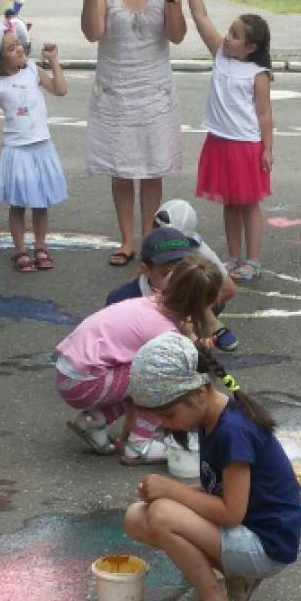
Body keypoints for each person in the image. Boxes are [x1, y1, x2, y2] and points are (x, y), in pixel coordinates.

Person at [124, 332, 301, 601]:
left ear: (202, 391)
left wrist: (172, 491)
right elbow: (219, 495)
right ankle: (237, 581)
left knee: (163, 514)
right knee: (137, 517)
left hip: (266, 544)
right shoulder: (212, 419)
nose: (166, 424)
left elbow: (232, 512)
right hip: (247, 531)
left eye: (169, 414)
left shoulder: (233, 430)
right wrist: (172, 496)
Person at [78, 0, 187, 266]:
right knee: (122, 170)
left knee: (153, 169)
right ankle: (126, 241)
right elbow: (93, 33)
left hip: (154, 91)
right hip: (115, 92)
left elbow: (178, 35)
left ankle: (150, 241)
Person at [55, 258, 222, 466]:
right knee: (163, 376)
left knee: (144, 369)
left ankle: (96, 419)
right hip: (83, 383)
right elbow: (176, 358)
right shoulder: (163, 331)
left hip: (70, 375)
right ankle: (139, 445)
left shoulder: (151, 302)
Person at [182, 0, 274, 285]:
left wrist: (268, 149)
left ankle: (254, 260)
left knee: (248, 205)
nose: (226, 37)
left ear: (250, 47)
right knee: (229, 204)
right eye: (230, 31)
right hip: (219, 141)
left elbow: (264, 115)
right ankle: (233, 257)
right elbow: (200, 15)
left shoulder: (258, 74)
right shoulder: (221, 55)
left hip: (246, 146)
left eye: (234, 35)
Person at [0, 22, 68, 273]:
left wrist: (53, 62)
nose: (19, 49)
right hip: (16, 150)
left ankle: (41, 245)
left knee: (41, 202)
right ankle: (19, 249)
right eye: (10, 47)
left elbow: (60, 89)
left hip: (41, 145)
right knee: (18, 204)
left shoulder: (32, 69)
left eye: (18, 43)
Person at [153, 198, 239, 350]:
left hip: (177, 299)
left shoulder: (200, 250)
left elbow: (229, 289)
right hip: (154, 296)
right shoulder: (153, 245)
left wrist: (197, 308)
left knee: (197, 281)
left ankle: (202, 321)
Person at [104, 225, 201, 307]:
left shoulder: (199, 289)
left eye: (184, 271)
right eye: (167, 275)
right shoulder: (120, 301)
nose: (178, 281)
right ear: (145, 270)